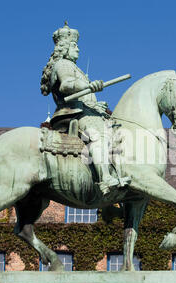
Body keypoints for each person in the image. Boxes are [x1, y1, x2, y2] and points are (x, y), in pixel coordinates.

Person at [40, 22, 126, 195]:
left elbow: (83, 96)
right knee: (98, 136)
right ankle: (105, 180)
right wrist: (88, 85)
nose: (78, 49)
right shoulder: (63, 64)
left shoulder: (74, 67)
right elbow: (66, 85)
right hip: (73, 114)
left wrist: (95, 104)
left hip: (83, 110)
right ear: (65, 48)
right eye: (74, 45)